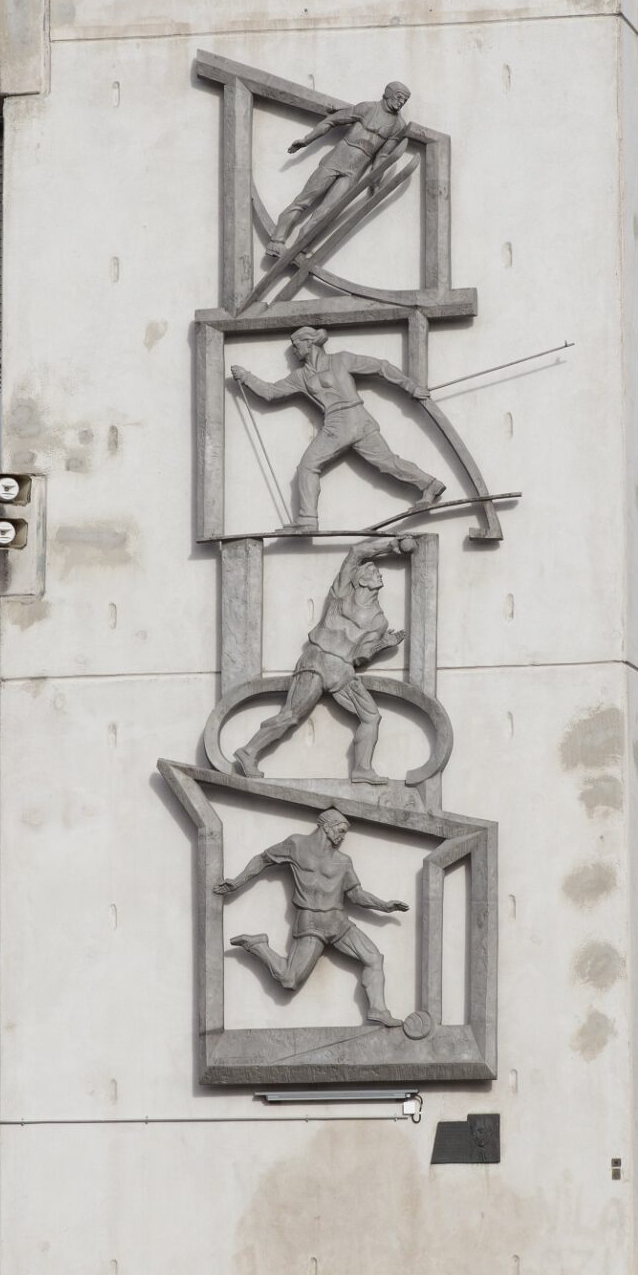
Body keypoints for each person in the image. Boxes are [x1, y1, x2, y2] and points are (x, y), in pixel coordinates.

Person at [233, 535, 413, 785]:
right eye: (372, 571)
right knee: (292, 715)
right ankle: (249, 751)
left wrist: (385, 644)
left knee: (371, 717)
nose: (378, 574)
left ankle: (362, 769)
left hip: (342, 673)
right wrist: (391, 545)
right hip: (316, 663)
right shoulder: (341, 594)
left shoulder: (379, 620)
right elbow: (356, 552)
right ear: (360, 579)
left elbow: (361, 656)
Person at [231, 325, 445, 532]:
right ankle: (430, 484)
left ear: (309, 343)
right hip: (341, 421)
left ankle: (307, 520)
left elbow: (381, 366)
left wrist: (410, 386)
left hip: (352, 419)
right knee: (387, 462)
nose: (294, 351)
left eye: (296, 346)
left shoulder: (341, 359)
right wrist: (246, 377)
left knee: (311, 466)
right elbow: (270, 392)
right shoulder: (300, 377)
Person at [215, 807, 409, 1028]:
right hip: (310, 924)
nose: (342, 836)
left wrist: (385, 906)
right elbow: (262, 860)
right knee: (289, 980)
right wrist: (237, 882)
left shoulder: (343, 861)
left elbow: (356, 894)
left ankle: (378, 1010)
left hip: (338, 923)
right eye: (341, 830)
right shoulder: (296, 845)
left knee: (374, 958)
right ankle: (259, 945)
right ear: (327, 825)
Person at [266, 81, 412, 256]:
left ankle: (300, 247)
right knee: (305, 199)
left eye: (404, 100)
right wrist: (306, 140)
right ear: (388, 94)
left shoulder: (398, 126)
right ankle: (277, 240)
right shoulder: (366, 108)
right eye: (399, 97)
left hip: (356, 168)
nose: (401, 102)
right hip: (338, 156)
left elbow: (383, 156)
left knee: (327, 211)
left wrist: (375, 180)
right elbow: (332, 120)